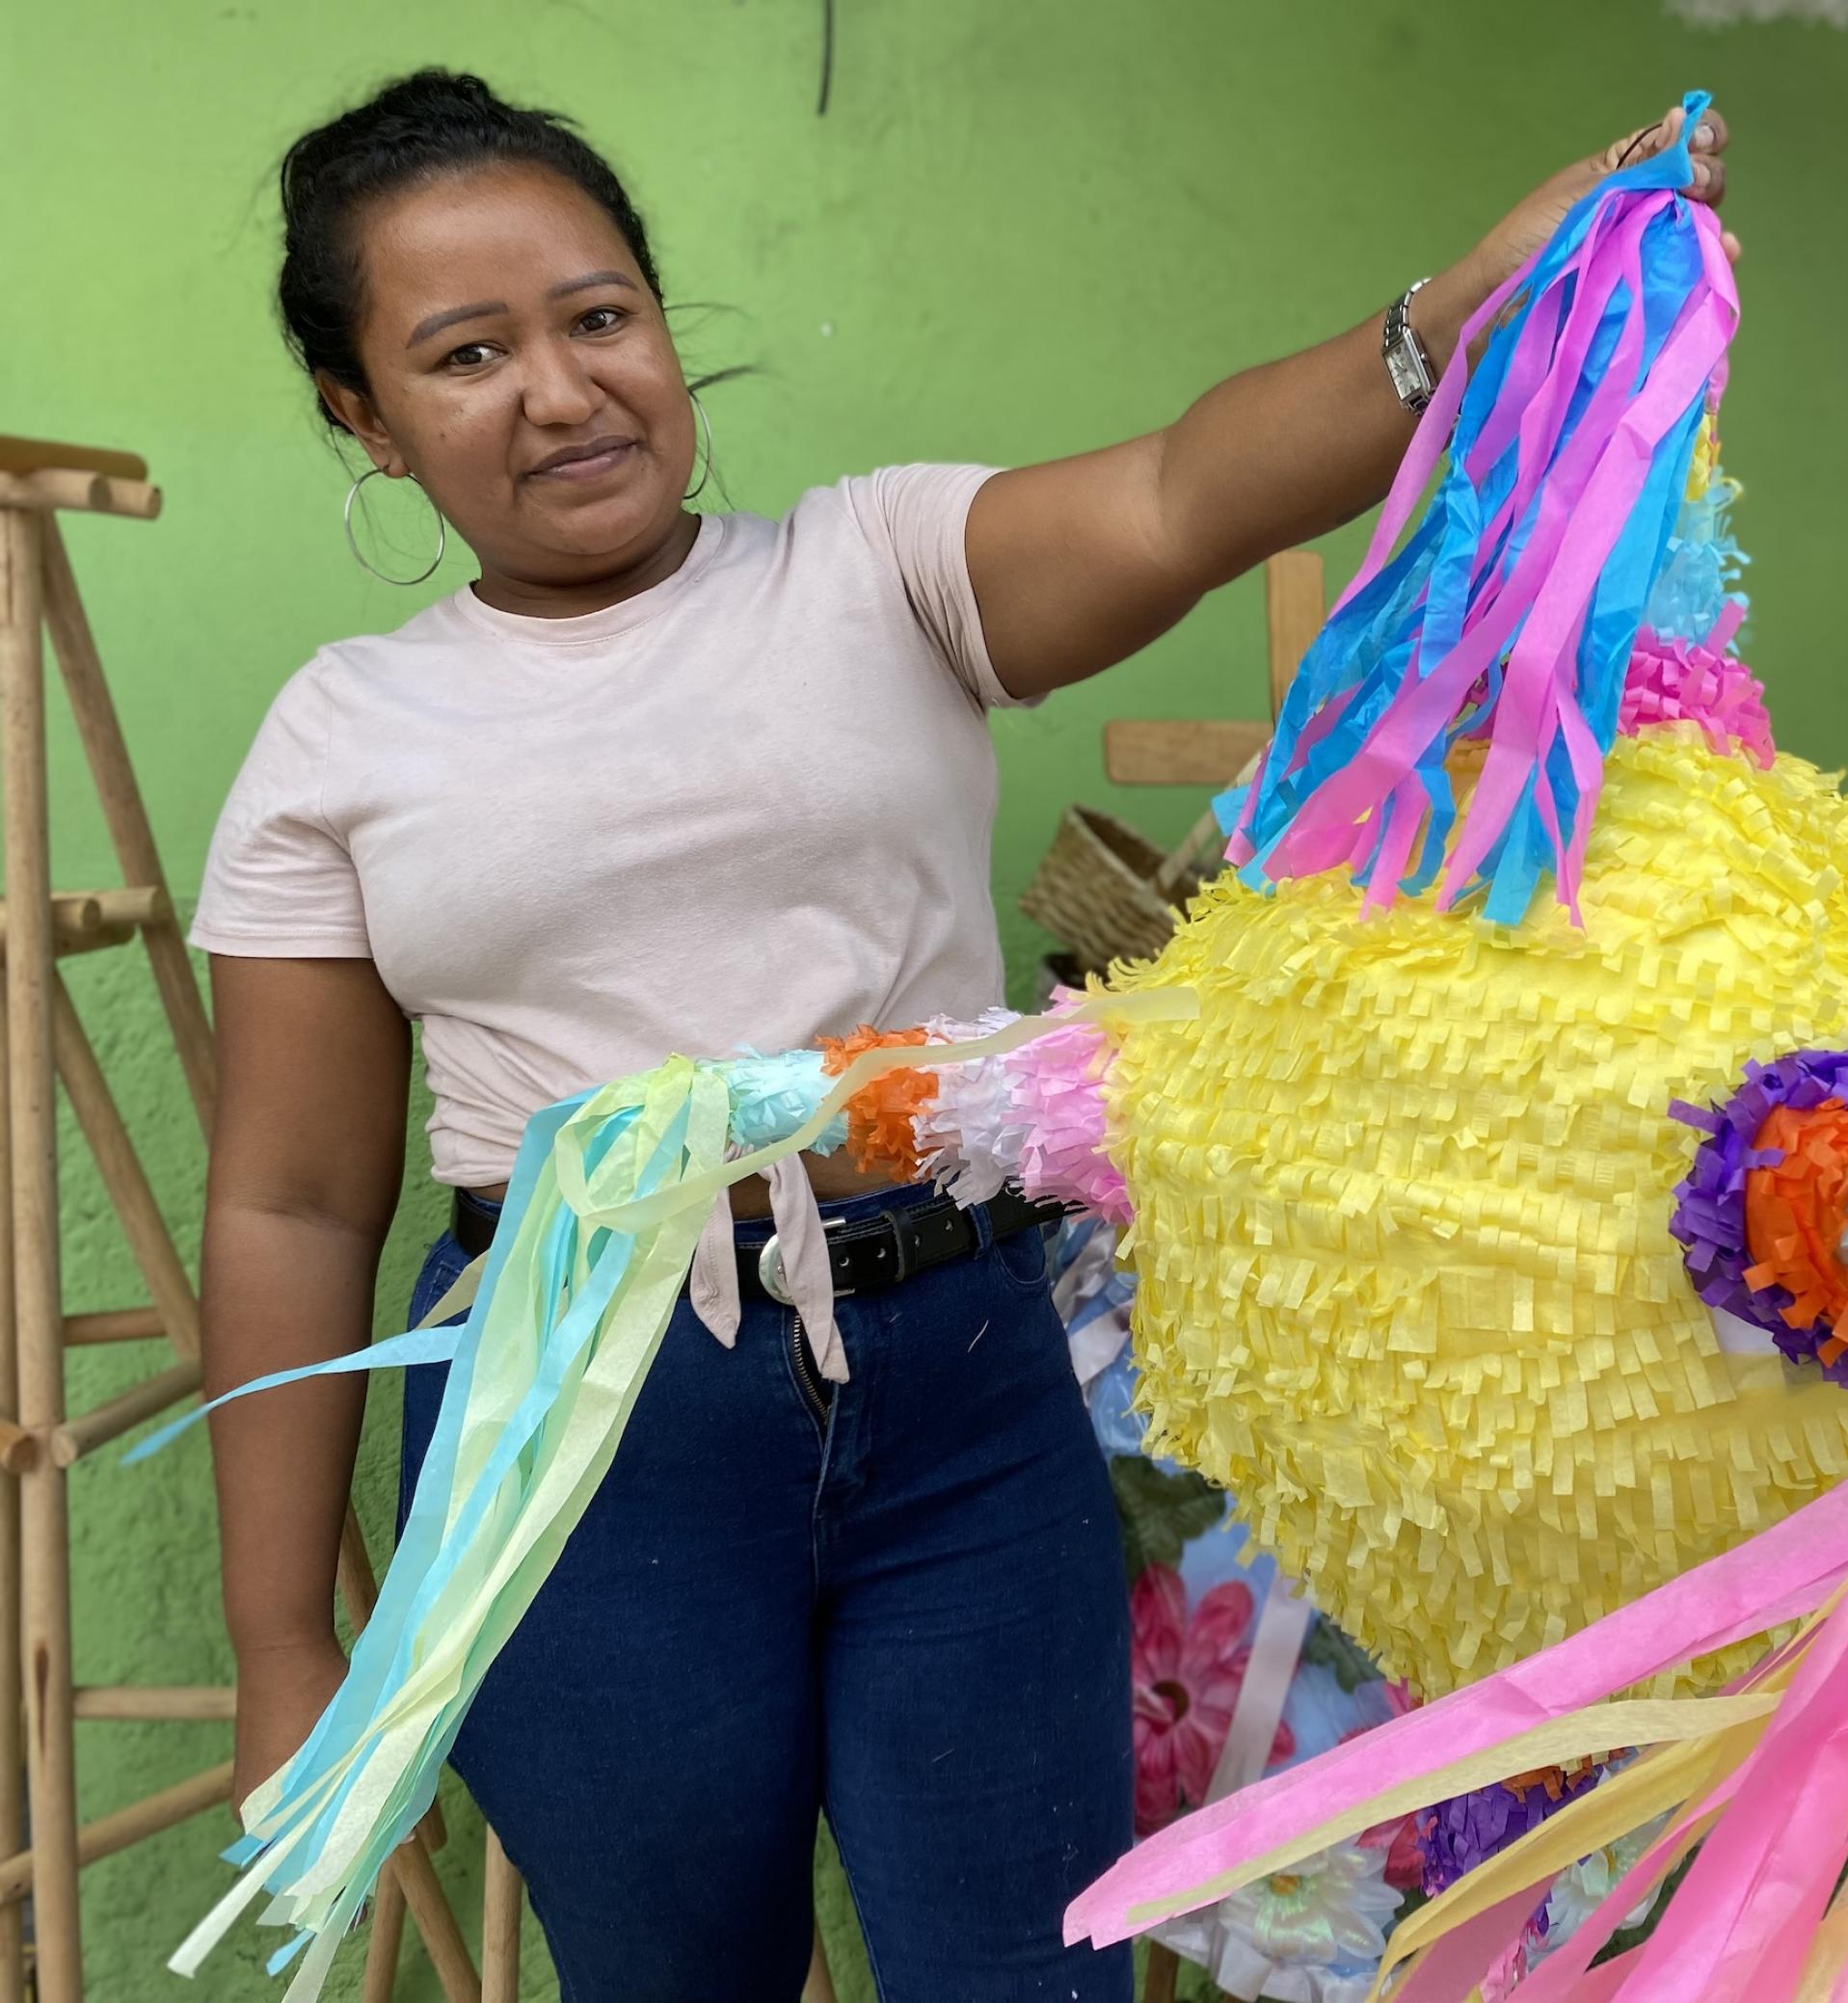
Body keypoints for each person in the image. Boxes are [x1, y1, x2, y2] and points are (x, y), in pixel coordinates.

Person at [193, 67, 1734, 2002]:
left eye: (599, 317)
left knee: (1031, 1968)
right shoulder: (344, 735)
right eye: (465, 353)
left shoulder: (881, 568)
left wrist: (1462, 304)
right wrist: (285, 1647)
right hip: (588, 1435)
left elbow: (1187, 488)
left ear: (662, 326)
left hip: (964, 1382)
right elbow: (292, 1199)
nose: (563, 388)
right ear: (366, 418)